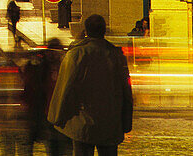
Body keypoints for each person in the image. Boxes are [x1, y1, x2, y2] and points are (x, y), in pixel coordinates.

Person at [48, 13, 133, 156]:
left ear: (86, 31)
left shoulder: (76, 55)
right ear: (104, 31)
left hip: (83, 122)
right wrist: (126, 121)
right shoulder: (116, 56)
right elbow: (126, 91)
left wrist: (57, 117)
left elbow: (64, 88)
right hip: (110, 123)